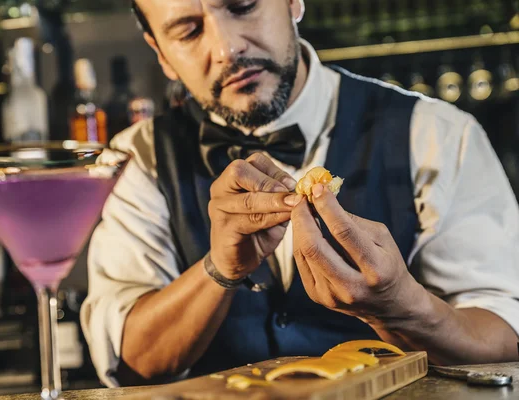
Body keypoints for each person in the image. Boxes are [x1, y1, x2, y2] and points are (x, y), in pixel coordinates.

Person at [80, 0, 519, 387]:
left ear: (293, 1)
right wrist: (219, 268)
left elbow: (505, 339)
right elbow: (133, 361)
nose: (227, 48)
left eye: (242, 5)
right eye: (188, 31)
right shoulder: (138, 158)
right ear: (163, 56)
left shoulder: (440, 136)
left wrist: (400, 306)